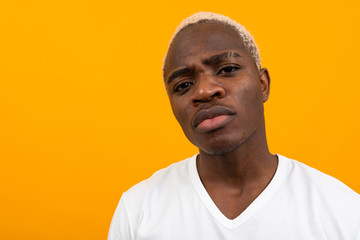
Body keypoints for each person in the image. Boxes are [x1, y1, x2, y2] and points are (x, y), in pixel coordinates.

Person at [108, 12, 360, 240]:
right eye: (183, 85)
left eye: (227, 69)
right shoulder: (138, 210)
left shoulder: (344, 212)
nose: (204, 91)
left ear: (263, 84)